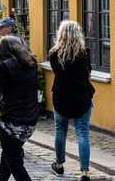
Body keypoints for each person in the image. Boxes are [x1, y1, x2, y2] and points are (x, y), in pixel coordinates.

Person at [48, 20, 93, 181]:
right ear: (77, 34)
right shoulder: (84, 52)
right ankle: (84, 173)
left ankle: (59, 166)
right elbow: (88, 75)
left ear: (61, 34)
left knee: (60, 132)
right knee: (83, 134)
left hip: (61, 98)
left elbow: (56, 73)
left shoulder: (54, 54)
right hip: (82, 97)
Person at [0, 35, 39, 181]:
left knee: (15, 162)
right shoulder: (31, 63)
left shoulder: (5, 66)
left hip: (11, 122)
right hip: (30, 119)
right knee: (9, 154)